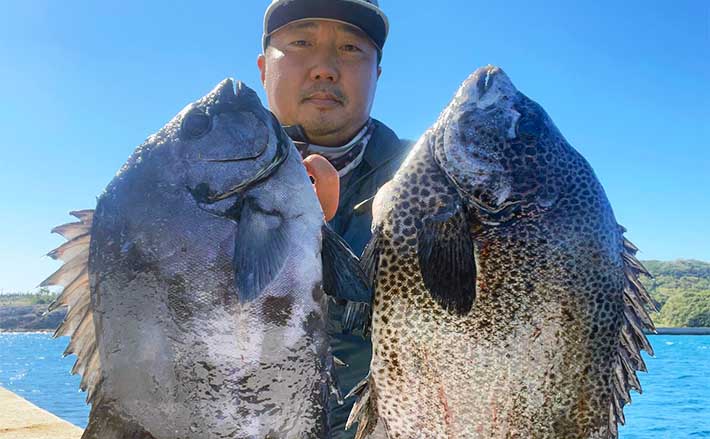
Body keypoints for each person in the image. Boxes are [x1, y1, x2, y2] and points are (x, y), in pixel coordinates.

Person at [257, 0, 411, 436]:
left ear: (377, 72)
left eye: (350, 48)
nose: (324, 67)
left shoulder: (438, 189)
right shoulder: (202, 183)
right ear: (263, 67)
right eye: (301, 42)